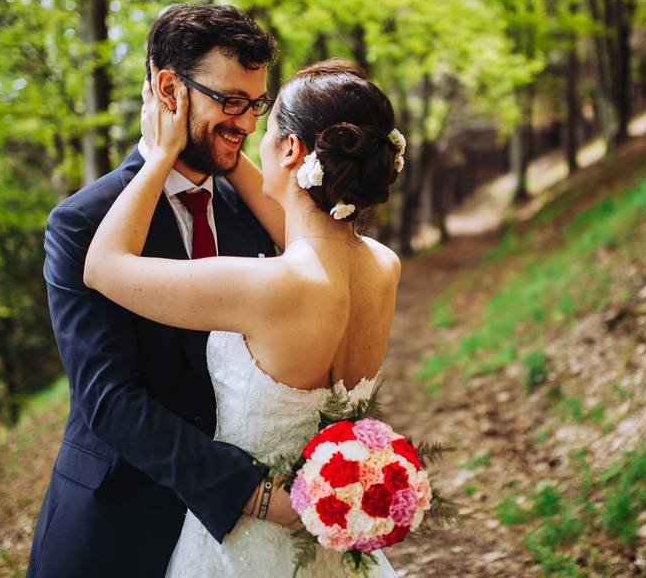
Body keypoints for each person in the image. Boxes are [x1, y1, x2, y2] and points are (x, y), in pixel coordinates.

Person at [82, 57, 404, 576]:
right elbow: (309, 223)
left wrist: (162, 154)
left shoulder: (268, 285)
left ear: (292, 150)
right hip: (327, 539)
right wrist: (225, 151)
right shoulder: (382, 265)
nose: (249, 130)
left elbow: (102, 266)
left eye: (265, 122)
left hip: (246, 544)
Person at [27, 3, 297, 578]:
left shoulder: (250, 210)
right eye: (230, 101)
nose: (247, 123)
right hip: (118, 530)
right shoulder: (82, 223)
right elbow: (108, 401)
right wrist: (253, 495)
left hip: (240, 550)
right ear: (170, 90)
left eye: (256, 104)